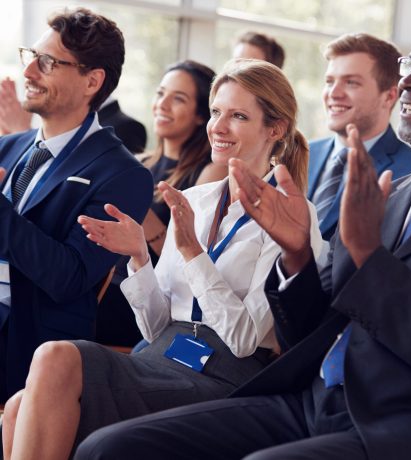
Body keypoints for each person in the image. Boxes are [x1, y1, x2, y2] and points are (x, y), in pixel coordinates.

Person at [75, 20, 411, 460]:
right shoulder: (396, 194)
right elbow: (317, 327)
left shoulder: (377, 194)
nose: (408, 78)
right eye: (408, 65)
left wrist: (369, 258)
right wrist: (297, 258)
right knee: (108, 447)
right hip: (313, 396)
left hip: (409, 420)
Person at [2, 59, 324, 460]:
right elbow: (157, 328)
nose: (219, 127)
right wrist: (139, 256)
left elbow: (242, 341)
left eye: (238, 116)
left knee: (55, 355)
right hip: (161, 355)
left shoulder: (295, 217)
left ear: (274, 129)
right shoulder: (194, 201)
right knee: (17, 405)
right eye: (218, 112)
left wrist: (192, 251)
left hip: (224, 375)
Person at [0, 7, 153, 403]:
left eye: (47, 62)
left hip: (25, 344)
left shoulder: (123, 175)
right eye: (29, 56)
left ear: (92, 81)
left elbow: (67, 277)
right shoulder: (9, 148)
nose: (29, 72)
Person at [96, 60, 227, 347]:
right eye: (160, 94)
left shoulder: (209, 171)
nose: (163, 105)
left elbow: (194, 255)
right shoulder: (139, 162)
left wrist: (143, 218)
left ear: (199, 115)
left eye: (178, 98)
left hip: (149, 297)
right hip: (109, 279)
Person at [309, 33, 411, 240]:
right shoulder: (300, 154)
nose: (334, 93)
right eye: (329, 81)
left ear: (389, 96)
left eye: (351, 82)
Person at [0, 77, 147, 154]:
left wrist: (20, 130)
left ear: (92, 82)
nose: (28, 73)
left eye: (51, 64)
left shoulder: (128, 128)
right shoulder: (53, 125)